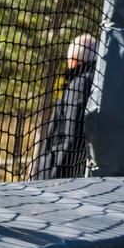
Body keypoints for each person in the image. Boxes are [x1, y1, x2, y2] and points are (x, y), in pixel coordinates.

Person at [31, 33, 96, 179]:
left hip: (64, 176)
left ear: (74, 60)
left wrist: (52, 175)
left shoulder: (80, 84)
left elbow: (72, 138)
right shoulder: (95, 82)